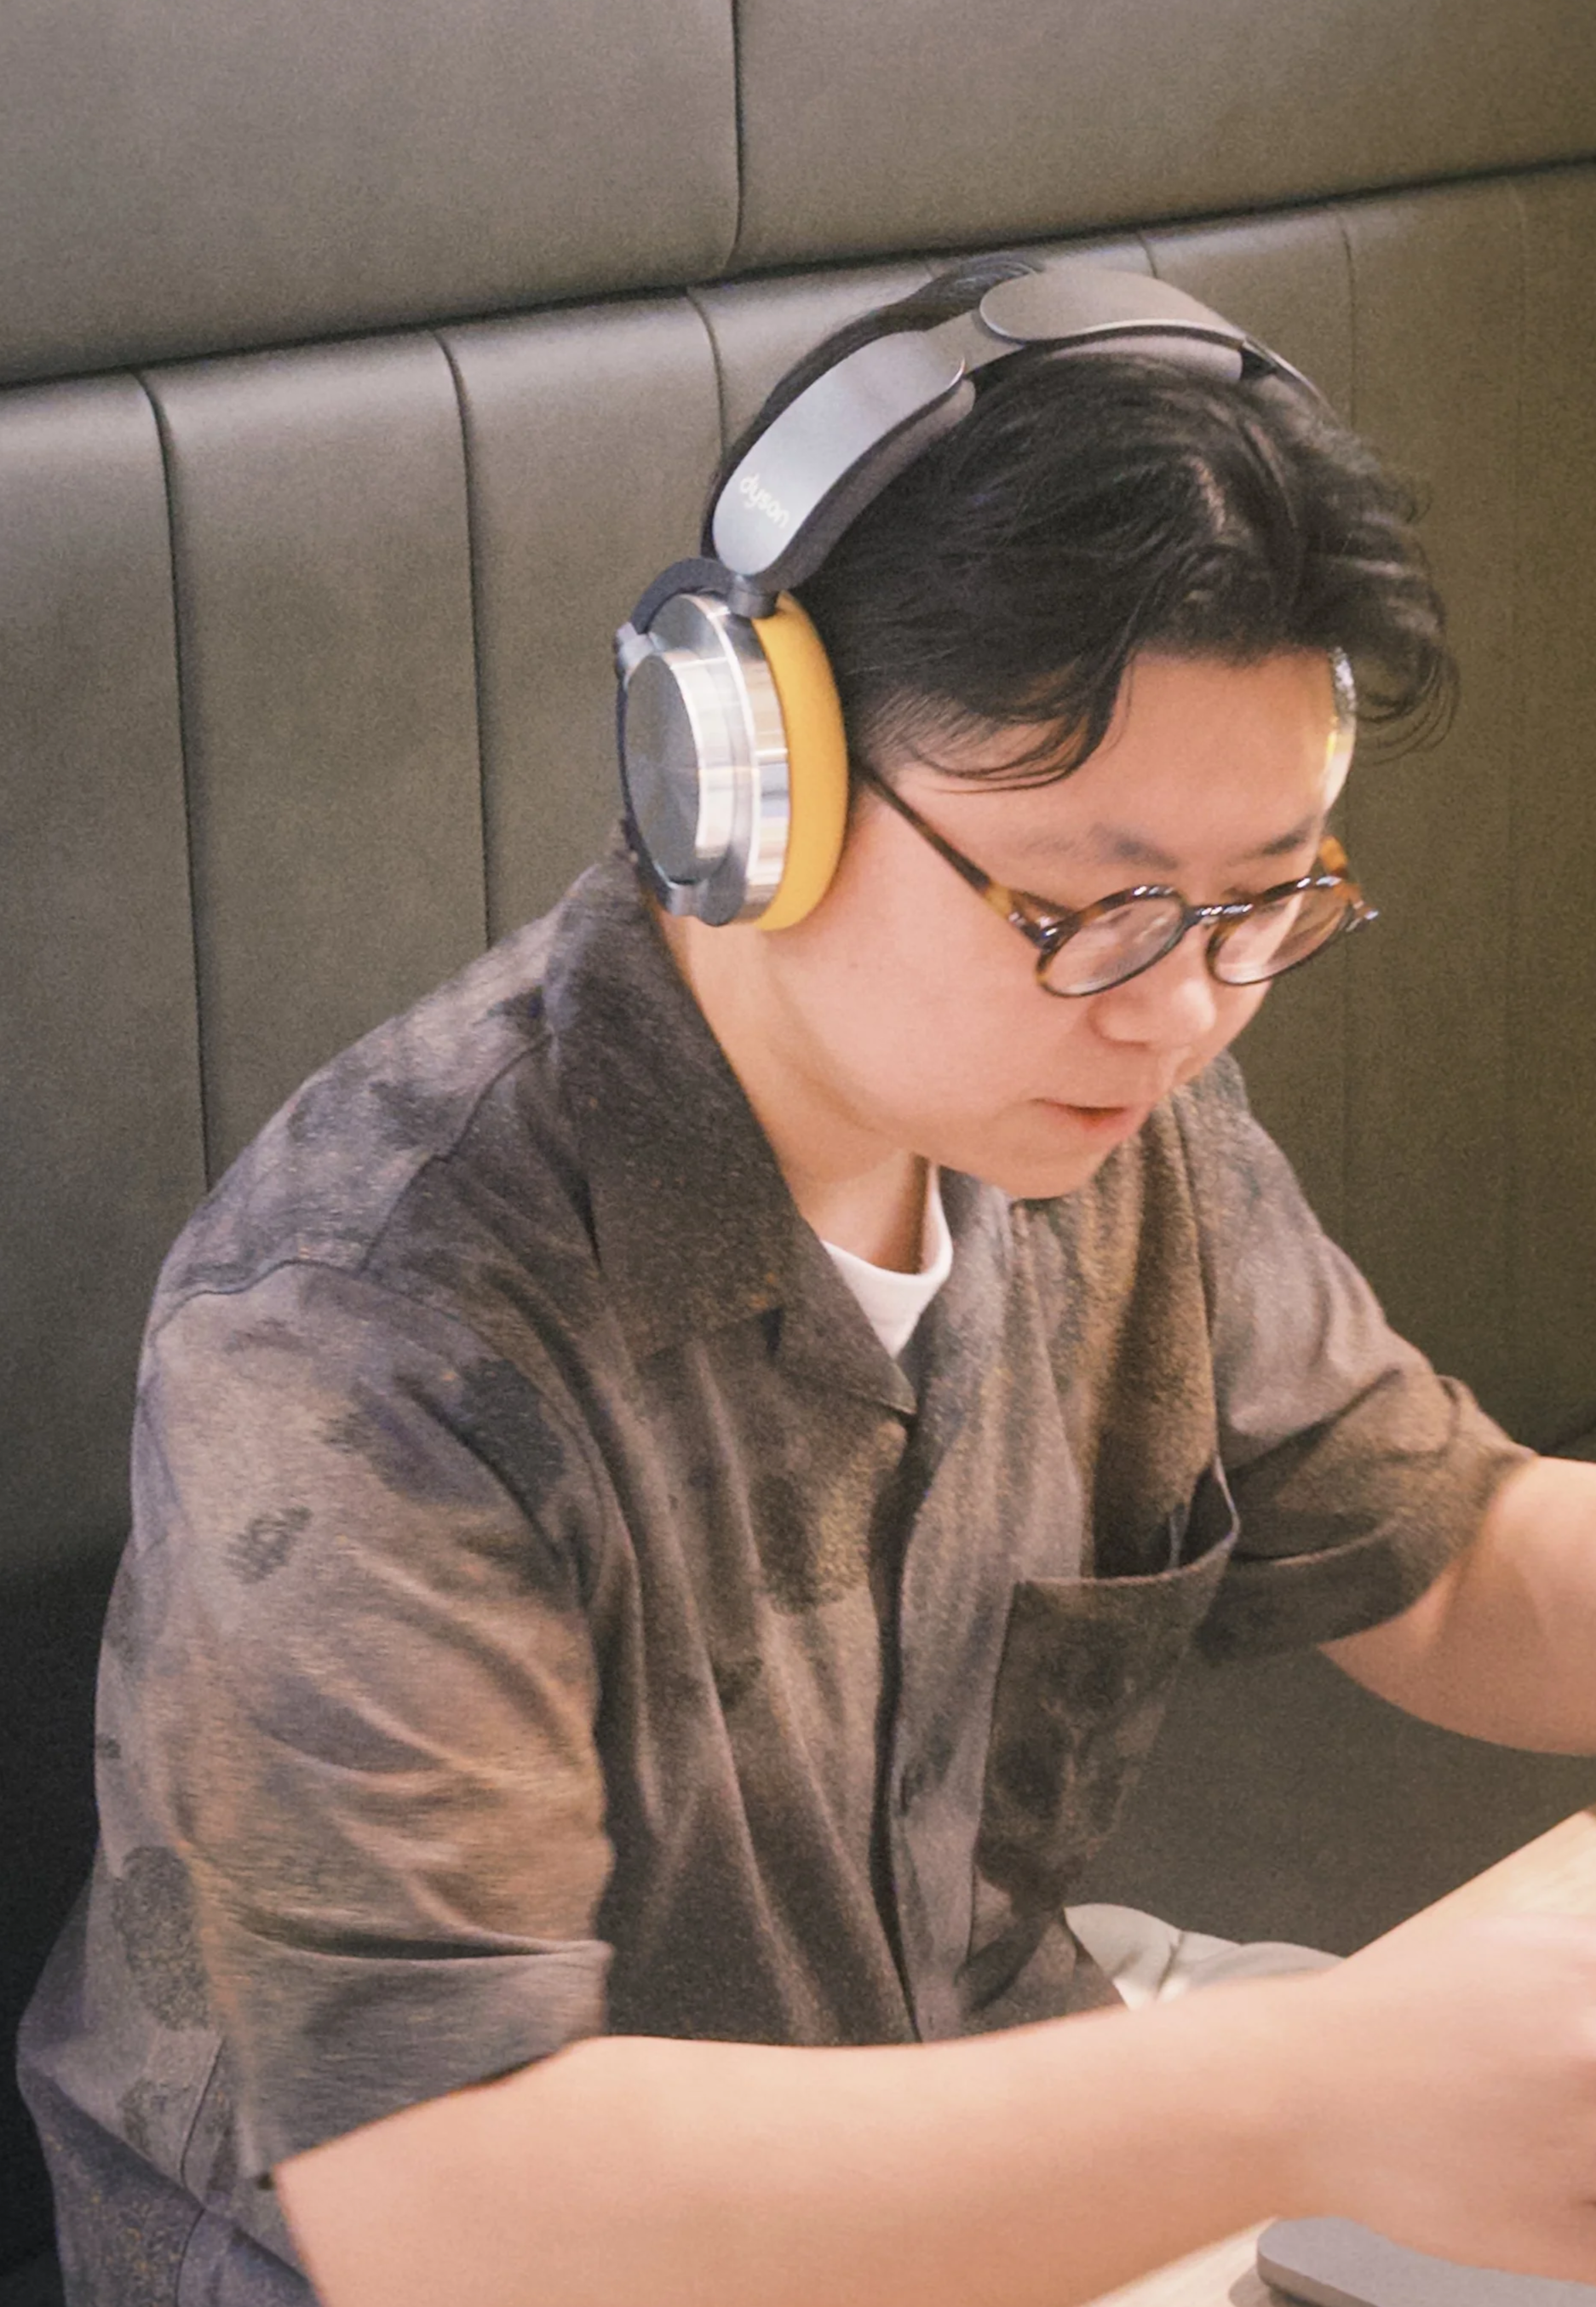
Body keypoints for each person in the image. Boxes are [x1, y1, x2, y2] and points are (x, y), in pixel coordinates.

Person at [20, 262, 1596, 2307]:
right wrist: (1309, 2090)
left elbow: (1458, 1561)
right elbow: (446, 2206)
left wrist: (1312, 2090)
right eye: (1091, 906)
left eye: (1268, 895)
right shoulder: (364, 1316)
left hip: (953, 2107)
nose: (1192, 1005)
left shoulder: (1110, 1104)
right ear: (749, 790)